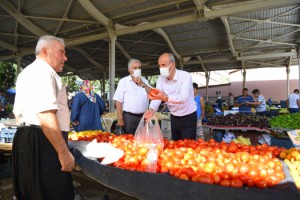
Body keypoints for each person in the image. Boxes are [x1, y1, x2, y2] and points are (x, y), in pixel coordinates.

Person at [12, 35, 74, 200]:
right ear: (45, 51)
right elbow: (46, 114)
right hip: (43, 139)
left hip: (31, 137)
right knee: (53, 193)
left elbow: (18, 113)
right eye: (61, 53)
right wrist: (63, 152)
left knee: (32, 192)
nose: (65, 58)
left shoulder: (29, 72)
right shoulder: (43, 72)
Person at [143, 52, 197, 140]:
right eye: (159, 65)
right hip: (174, 116)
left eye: (163, 65)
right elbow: (157, 96)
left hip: (188, 116)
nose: (161, 68)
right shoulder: (161, 78)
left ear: (173, 65)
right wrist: (151, 109)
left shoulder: (185, 76)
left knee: (188, 146)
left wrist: (165, 97)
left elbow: (183, 98)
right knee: (175, 145)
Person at [113, 59, 151, 134]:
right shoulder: (123, 81)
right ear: (129, 70)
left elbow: (153, 93)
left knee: (142, 141)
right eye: (135, 68)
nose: (137, 70)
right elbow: (118, 101)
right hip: (129, 118)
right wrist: (120, 118)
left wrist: (143, 84)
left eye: (139, 68)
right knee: (130, 140)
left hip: (144, 117)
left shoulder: (144, 80)